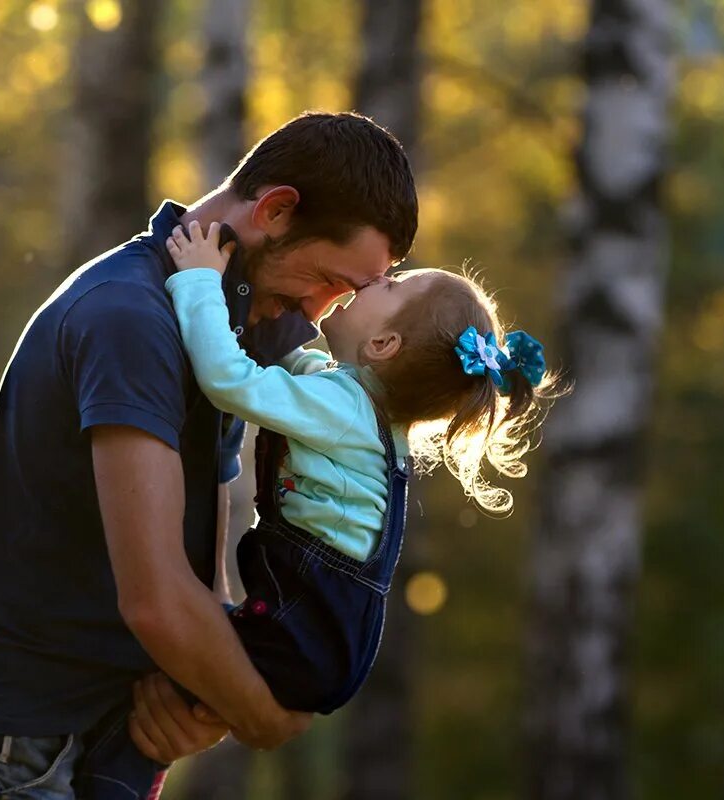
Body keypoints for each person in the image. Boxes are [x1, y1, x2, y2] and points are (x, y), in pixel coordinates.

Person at [0, 112, 418, 799]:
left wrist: (203, 703)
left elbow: (201, 571)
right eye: (328, 280)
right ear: (277, 210)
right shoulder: (128, 318)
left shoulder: (230, 323)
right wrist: (259, 715)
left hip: (103, 737)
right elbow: (157, 600)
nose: (321, 312)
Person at [78, 219, 556, 795]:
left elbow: (231, 379)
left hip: (303, 626)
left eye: (389, 286)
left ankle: (103, 780)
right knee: (179, 691)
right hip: (325, 636)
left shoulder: (343, 409)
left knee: (154, 673)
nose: (372, 280)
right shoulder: (366, 411)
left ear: (383, 345)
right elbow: (295, 369)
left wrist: (201, 282)